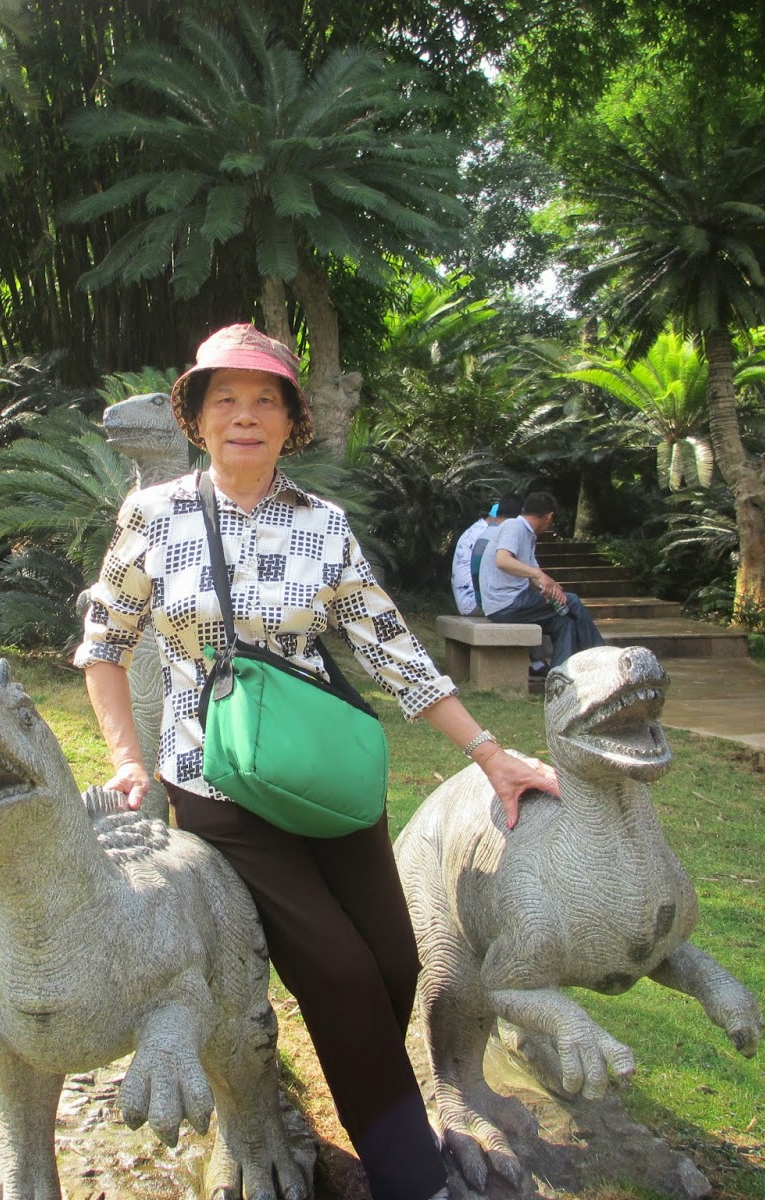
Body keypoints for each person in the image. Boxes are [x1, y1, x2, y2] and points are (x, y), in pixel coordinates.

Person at [75, 323, 559, 1200]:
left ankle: (371, 1082)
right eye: (226, 399)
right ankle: (412, 1175)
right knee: (337, 970)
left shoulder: (321, 523)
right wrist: (128, 760)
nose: (245, 416)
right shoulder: (156, 514)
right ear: (197, 418)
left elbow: (393, 651)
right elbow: (104, 644)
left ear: (290, 421)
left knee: (394, 962)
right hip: (216, 772)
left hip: (324, 768)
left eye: (265, 400)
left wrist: (491, 755)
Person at [480, 491, 604, 669]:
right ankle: (602, 657)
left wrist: (550, 587)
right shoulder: (514, 526)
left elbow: (534, 576)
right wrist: (539, 576)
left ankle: (561, 675)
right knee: (573, 601)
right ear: (549, 517)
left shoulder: (528, 535)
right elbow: (503, 560)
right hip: (505, 603)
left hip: (514, 602)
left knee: (564, 623)